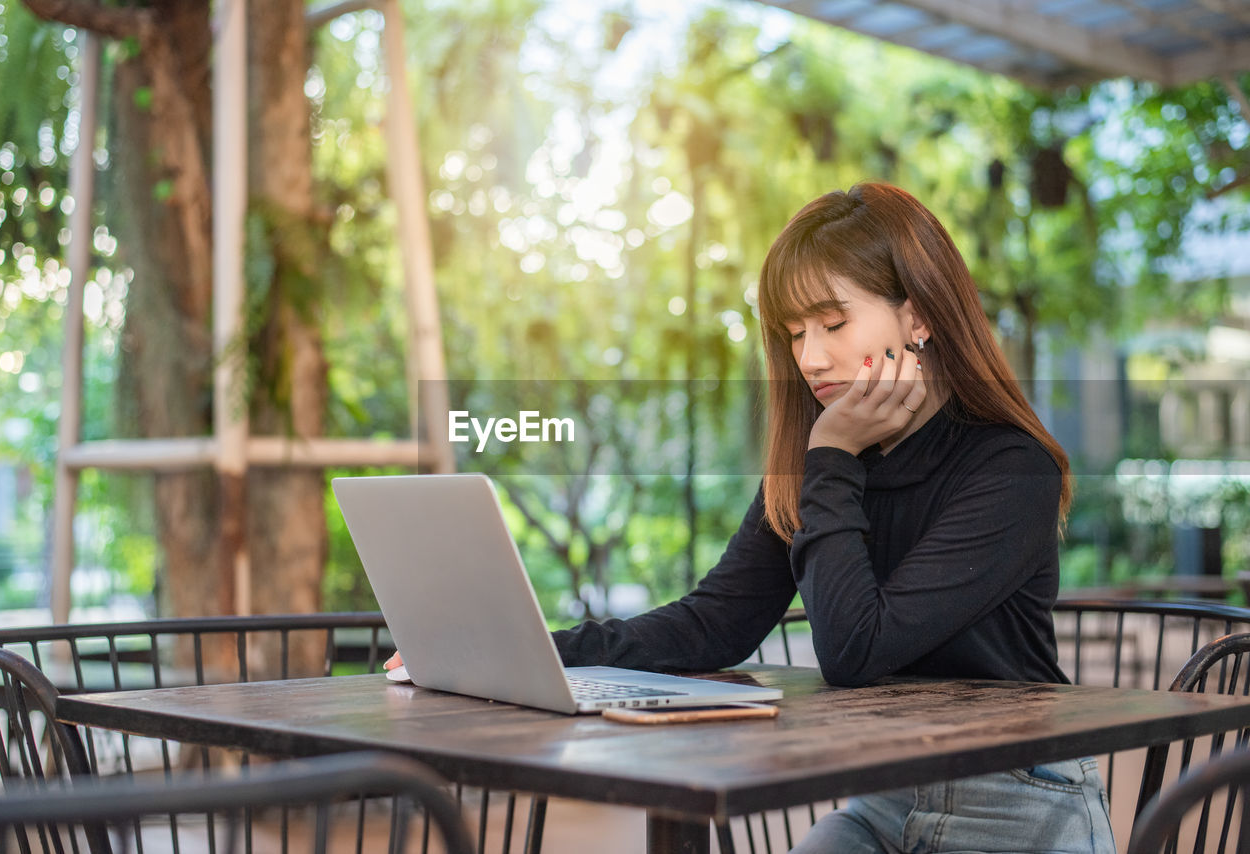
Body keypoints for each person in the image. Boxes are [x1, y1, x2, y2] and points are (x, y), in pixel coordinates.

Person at [389, 182, 1114, 853]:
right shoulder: (821, 467)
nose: (810, 356)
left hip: (1020, 802)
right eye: (794, 332)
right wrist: (528, 651)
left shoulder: (1010, 468)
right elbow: (715, 622)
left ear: (917, 315)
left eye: (833, 322)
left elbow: (858, 650)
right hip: (885, 799)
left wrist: (831, 454)